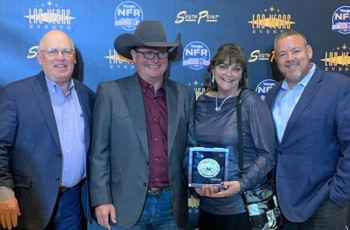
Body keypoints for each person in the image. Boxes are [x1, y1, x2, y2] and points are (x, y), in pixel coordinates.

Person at [89, 20, 196, 230]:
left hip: (172, 206)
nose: (155, 59)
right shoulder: (110, 93)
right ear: (134, 56)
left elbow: (190, 151)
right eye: (148, 52)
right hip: (125, 204)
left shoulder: (185, 95)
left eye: (161, 53)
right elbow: (99, 152)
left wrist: (202, 180)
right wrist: (101, 199)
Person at [0, 30, 95, 229]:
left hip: (73, 203)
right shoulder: (15, 95)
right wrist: (4, 192)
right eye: (52, 52)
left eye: (66, 51)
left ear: (74, 58)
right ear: (40, 57)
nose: (60, 58)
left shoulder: (87, 95)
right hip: (28, 203)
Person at [265, 29, 350, 229]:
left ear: (309, 51)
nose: (290, 58)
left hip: (323, 204)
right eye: (282, 54)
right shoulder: (272, 94)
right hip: (282, 205)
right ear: (276, 59)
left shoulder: (338, 87)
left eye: (295, 51)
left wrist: (337, 195)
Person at [193, 43, 276, 230]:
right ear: (213, 69)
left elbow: (268, 155)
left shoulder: (251, 103)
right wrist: (197, 185)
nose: (228, 74)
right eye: (223, 66)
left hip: (242, 208)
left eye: (236, 68)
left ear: (242, 74)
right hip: (209, 204)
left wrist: (241, 184)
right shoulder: (202, 102)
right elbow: (193, 148)